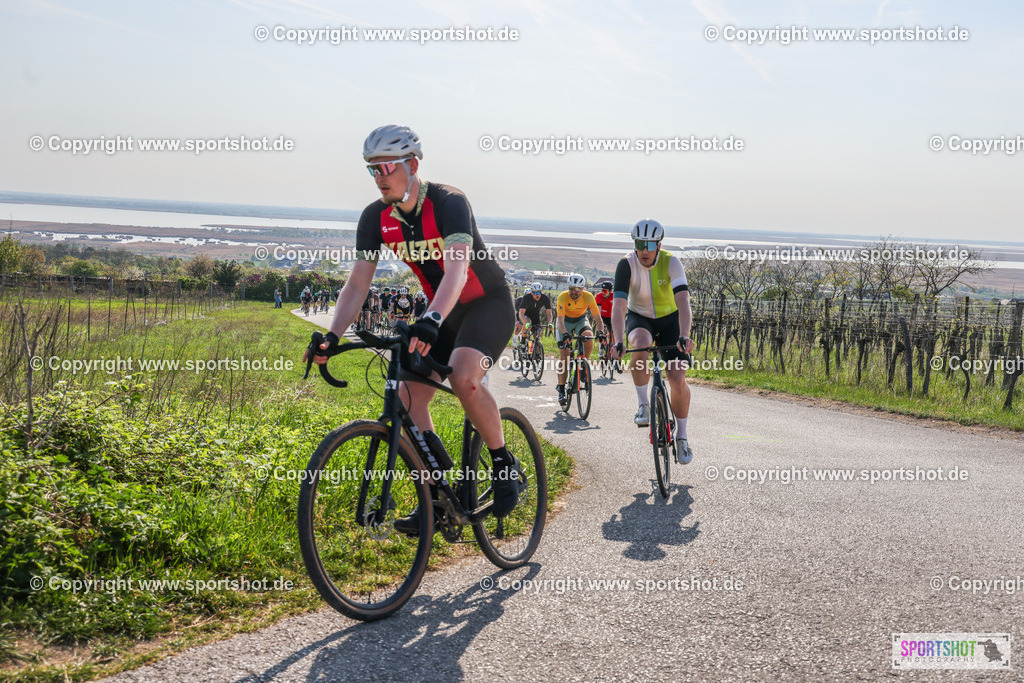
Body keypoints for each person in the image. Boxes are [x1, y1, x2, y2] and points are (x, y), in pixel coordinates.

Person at [306, 124, 521, 533]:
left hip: (486, 304)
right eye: (372, 169)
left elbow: (458, 269)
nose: (379, 177)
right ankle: (436, 497)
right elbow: (357, 283)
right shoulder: (376, 218)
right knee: (406, 397)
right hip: (442, 311)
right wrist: (331, 335)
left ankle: (502, 462)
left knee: (463, 376)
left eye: (385, 167)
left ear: (412, 164)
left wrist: (432, 320)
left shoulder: (449, 202)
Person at [609, 219, 695, 464]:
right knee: (639, 342)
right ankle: (643, 405)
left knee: (678, 379)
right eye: (639, 244)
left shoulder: (672, 262)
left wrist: (685, 334)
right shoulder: (626, 264)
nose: (644, 250)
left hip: (671, 320)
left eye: (649, 244)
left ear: (659, 244)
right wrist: (617, 340)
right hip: (640, 317)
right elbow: (619, 306)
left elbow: (683, 303)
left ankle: (682, 437)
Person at [555, 274, 604, 406]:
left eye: (577, 289)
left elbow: (597, 318)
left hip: (580, 321)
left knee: (588, 337)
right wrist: (565, 334)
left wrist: (600, 332)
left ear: (583, 289)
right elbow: (560, 320)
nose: (574, 292)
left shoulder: (588, 297)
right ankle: (560, 387)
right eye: (571, 288)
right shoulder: (562, 297)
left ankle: (583, 365)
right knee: (564, 355)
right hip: (564, 322)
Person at [517, 282, 552, 351]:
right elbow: (521, 313)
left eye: (539, 293)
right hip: (526, 315)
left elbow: (549, 313)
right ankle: (523, 341)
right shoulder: (526, 297)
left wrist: (550, 323)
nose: (537, 295)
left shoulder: (545, 298)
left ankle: (535, 351)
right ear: (532, 293)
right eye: (535, 293)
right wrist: (526, 323)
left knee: (537, 335)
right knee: (527, 323)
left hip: (535, 315)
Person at [595, 281, 615, 352]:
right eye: (602, 290)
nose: (603, 292)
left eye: (605, 291)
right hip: (602, 317)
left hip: (612, 317)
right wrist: (601, 323)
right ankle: (601, 348)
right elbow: (598, 312)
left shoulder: (614, 296)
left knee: (614, 334)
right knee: (603, 331)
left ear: (610, 291)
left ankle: (614, 350)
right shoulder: (598, 296)